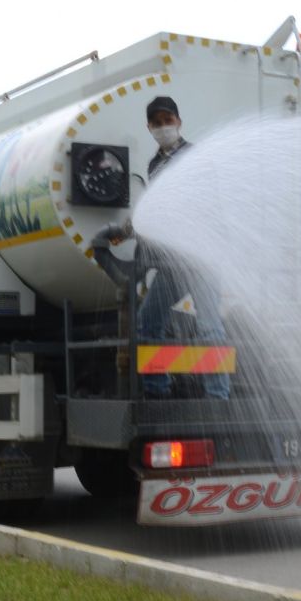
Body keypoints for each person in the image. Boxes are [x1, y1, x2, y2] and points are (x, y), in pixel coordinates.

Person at [97, 95, 231, 399]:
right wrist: (129, 230)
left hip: (201, 260)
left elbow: (203, 204)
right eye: (156, 123)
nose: (163, 127)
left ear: (179, 122)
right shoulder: (154, 164)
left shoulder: (196, 157)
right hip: (172, 263)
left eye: (167, 120)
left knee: (209, 327)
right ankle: (157, 390)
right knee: (148, 323)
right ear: (149, 127)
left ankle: (218, 396)